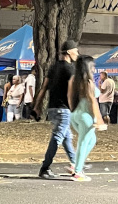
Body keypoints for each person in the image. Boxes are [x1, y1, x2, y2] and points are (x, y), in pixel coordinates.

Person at [33, 40, 81, 179]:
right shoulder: (70, 69)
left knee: (66, 137)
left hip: (52, 108)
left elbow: (43, 88)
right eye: (76, 51)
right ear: (69, 52)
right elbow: (70, 93)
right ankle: (45, 168)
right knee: (58, 137)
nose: (77, 54)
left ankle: (76, 164)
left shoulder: (53, 67)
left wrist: (36, 107)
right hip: (63, 109)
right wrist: (74, 108)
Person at [68, 55, 105, 182]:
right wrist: (99, 120)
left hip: (75, 114)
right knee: (83, 143)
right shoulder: (88, 83)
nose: (94, 69)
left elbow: (69, 97)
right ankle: (77, 171)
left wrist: (73, 111)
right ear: (88, 67)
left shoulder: (73, 80)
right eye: (93, 66)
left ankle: (76, 165)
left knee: (91, 140)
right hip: (86, 116)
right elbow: (93, 102)